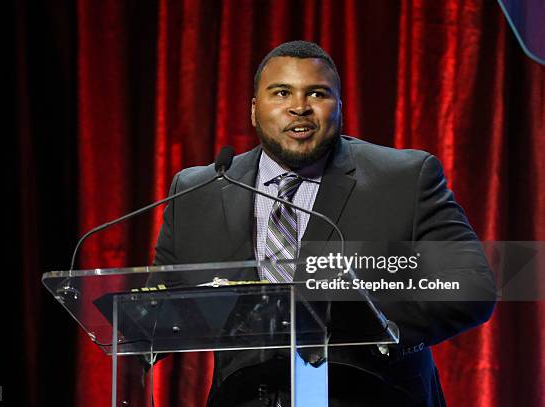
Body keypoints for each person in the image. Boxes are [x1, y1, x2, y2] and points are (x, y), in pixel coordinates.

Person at [154, 41, 496, 406]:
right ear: (255, 110)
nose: (299, 107)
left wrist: (372, 324)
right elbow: (155, 310)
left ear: (339, 107)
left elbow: (469, 287)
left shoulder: (404, 178)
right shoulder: (199, 190)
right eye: (281, 92)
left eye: (316, 93)